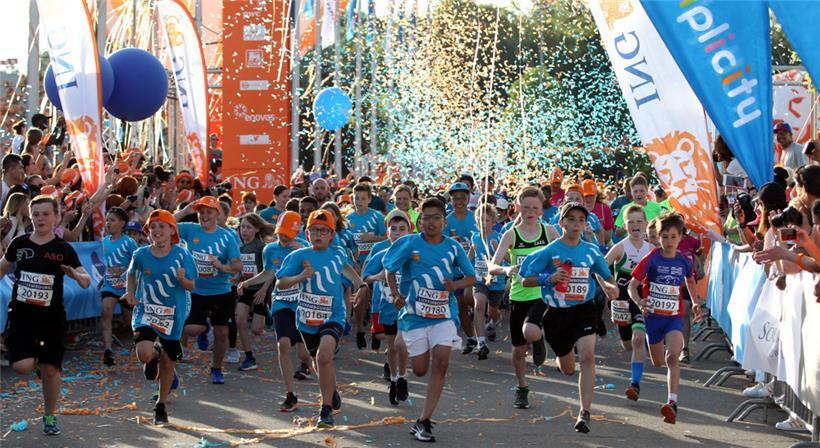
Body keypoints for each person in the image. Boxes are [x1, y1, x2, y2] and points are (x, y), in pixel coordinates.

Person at [520, 201, 619, 434]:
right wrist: (548, 278)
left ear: (586, 224)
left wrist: (610, 288)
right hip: (556, 313)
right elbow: (526, 279)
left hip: (584, 310)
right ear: (562, 222)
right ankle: (559, 355)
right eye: (571, 219)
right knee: (567, 368)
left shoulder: (591, 250)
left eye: (581, 220)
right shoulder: (549, 251)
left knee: (587, 356)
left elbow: (604, 276)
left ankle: (584, 412)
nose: (576, 224)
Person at [383, 197, 476, 442]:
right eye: (427, 218)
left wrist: (454, 284)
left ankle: (424, 421)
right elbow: (389, 268)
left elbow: (471, 277)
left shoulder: (453, 247)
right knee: (421, 370)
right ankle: (415, 404)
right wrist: (395, 294)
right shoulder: (408, 244)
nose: (431, 222)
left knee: (442, 362)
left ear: (444, 222)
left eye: (436, 218)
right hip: (414, 316)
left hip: (444, 314)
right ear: (419, 221)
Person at [0, 195, 91, 435]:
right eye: (36, 214)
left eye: (45, 214)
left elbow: (86, 279)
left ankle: (50, 416)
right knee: (21, 366)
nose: (40, 218)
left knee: (51, 370)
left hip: (51, 318)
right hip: (22, 315)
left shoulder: (63, 249)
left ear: (56, 217)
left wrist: (75, 275)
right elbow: (2, 269)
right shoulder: (19, 244)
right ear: (30, 217)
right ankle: (37, 363)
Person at [276, 209, 362, 428]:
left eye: (324, 231)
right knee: (317, 360)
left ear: (332, 235)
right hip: (306, 319)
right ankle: (330, 391)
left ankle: (325, 410)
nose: (319, 235)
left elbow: (348, 270)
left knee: (324, 356)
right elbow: (280, 283)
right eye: (314, 230)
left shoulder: (338, 252)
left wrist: (362, 285)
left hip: (334, 315)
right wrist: (300, 277)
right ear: (307, 234)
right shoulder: (298, 256)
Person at [121, 209, 196, 425]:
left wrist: (183, 280)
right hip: (147, 310)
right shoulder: (140, 254)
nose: (156, 230)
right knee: (144, 353)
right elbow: (131, 274)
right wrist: (130, 292)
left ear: (172, 230)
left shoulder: (182, 255)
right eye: (152, 227)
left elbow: (192, 284)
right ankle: (153, 356)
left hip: (173, 313)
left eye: (162, 226)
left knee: (168, 362)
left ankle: (160, 405)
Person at [628, 212, 702, 425]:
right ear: (657, 237)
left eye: (673, 236)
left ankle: (672, 403)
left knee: (672, 358)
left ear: (680, 238)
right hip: (653, 319)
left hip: (673, 318)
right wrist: (640, 302)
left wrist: (695, 302)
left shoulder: (683, 261)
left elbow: (689, 280)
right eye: (664, 237)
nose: (669, 241)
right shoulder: (651, 259)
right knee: (658, 362)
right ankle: (666, 396)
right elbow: (632, 285)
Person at [237, 211, 312, 412]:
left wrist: (304, 251)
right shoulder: (270, 249)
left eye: (288, 234)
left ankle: (310, 367)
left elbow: (316, 272)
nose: (284, 238)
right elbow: (268, 273)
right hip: (281, 302)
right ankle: (290, 394)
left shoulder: (305, 248)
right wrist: (247, 282)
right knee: (284, 345)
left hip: (304, 304)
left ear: (296, 232)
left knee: (305, 352)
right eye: (280, 233)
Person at [488, 186, 554, 409]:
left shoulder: (549, 232)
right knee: (517, 351)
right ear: (518, 208)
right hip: (518, 294)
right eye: (526, 207)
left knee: (531, 331)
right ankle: (522, 387)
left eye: (535, 207)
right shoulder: (511, 234)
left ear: (541, 210)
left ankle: (538, 338)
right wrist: (506, 270)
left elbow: (566, 251)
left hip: (542, 292)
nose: (530, 211)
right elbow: (492, 265)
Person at [174, 196, 242, 384]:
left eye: (209, 212)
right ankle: (204, 328)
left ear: (217, 214)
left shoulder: (227, 237)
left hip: (221, 291)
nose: (204, 215)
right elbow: (164, 225)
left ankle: (216, 368)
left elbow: (238, 265)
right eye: (200, 212)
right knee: (193, 329)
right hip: (196, 291)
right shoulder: (190, 229)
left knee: (222, 333)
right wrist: (184, 212)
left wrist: (222, 267)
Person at [360, 209, 412, 405]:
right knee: (391, 345)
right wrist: (377, 277)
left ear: (409, 231)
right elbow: (364, 277)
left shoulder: (413, 255)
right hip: (388, 305)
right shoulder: (381, 254)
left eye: (402, 229)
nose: (397, 233)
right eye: (393, 229)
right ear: (387, 231)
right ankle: (393, 379)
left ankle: (402, 378)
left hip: (409, 307)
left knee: (402, 343)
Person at [604, 205, 653, 401]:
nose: (635, 225)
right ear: (624, 225)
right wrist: (609, 286)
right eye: (630, 222)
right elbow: (600, 268)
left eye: (639, 221)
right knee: (628, 343)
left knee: (638, 339)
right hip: (622, 301)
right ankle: (638, 358)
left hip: (640, 301)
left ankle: (635, 384)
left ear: (646, 224)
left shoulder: (651, 250)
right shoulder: (620, 247)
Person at [443, 182, 480, 354]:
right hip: (455, 271)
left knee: (470, 298)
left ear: (468, 198)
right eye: (455, 198)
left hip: (475, 269)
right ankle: (471, 338)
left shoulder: (475, 218)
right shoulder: (447, 220)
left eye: (463, 198)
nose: (459, 201)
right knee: (460, 305)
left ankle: (480, 316)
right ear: (450, 199)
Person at [234, 213, 274, 371]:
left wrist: (264, 290)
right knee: (240, 320)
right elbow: (241, 270)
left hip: (260, 291)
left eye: (248, 227)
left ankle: (268, 314)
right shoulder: (240, 247)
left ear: (257, 229)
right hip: (246, 289)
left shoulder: (261, 247)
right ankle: (249, 356)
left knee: (257, 329)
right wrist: (236, 280)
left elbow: (270, 272)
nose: (244, 231)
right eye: (242, 227)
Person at [100, 207, 139, 367]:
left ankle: (142, 345)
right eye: (107, 219)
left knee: (128, 320)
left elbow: (138, 262)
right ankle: (108, 350)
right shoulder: (104, 241)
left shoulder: (129, 242)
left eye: (112, 220)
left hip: (126, 287)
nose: (108, 223)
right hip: (109, 285)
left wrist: (124, 270)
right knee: (105, 313)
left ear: (122, 224)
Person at [469, 204, 505, 359]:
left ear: (493, 221)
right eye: (481, 220)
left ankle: (494, 322)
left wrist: (498, 249)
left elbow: (509, 259)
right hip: (480, 279)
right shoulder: (475, 237)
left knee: (493, 311)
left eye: (487, 220)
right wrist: (464, 268)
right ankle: (481, 342)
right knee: (479, 306)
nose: (484, 223)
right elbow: (471, 254)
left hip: (497, 280)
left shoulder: (499, 237)